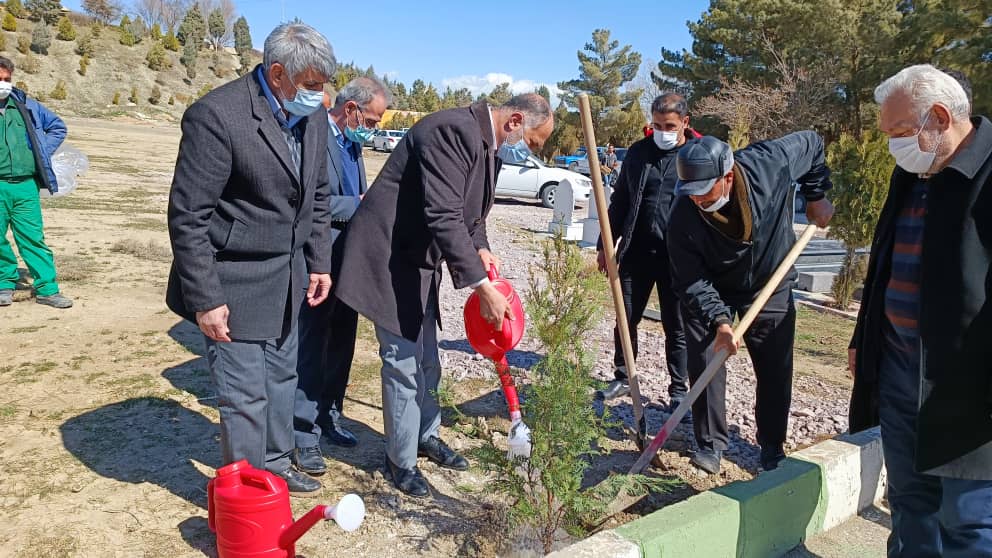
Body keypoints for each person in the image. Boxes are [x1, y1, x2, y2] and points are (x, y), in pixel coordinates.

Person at [334, 94, 554, 497]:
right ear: (516, 120)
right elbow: (443, 214)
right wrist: (481, 286)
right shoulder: (452, 130)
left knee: (428, 359)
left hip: (419, 262)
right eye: (535, 142)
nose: (532, 150)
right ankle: (400, 461)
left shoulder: (487, 144)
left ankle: (426, 434)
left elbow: (473, 216)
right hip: (388, 257)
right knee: (401, 361)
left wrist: (482, 247)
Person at [166, 22, 335, 494]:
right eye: (312, 87)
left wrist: (318, 261)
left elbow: (317, 196)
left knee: (282, 378)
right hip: (233, 280)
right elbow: (189, 217)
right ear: (277, 73)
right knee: (243, 396)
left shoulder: (314, 116)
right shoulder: (218, 117)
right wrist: (206, 298)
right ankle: (245, 494)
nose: (320, 98)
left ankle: (277, 466)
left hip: (289, 277)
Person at [849, 64, 992, 557]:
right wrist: (862, 340)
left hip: (970, 387)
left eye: (899, 132)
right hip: (899, 370)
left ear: (938, 117)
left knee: (968, 522)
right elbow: (885, 260)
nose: (892, 145)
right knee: (911, 506)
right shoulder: (912, 170)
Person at [667, 133, 834, 475]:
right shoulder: (683, 214)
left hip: (769, 279)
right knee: (705, 357)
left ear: (727, 177)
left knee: (775, 365)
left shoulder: (769, 164)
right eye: (691, 192)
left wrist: (816, 196)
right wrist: (720, 322)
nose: (698, 200)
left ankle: (772, 447)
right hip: (713, 285)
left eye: (704, 191)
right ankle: (710, 445)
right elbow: (690, 280)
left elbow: (814, 144)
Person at [291, 78, 390, 476]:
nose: (373, 127)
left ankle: (331, 415)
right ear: (350, 109)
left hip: (348, 263)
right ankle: (303, 433)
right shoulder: (315, 136)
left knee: (342, 346)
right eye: (370, 118)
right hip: (318, 261)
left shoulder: (353, 144)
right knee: (311, 348)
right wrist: (358, 204)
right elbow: (308, 199)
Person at [595, 93, 696, 411]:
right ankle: (624, 376)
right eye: (656, 125)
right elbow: (620, 201)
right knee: (626, 318)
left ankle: (679, 389)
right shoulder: (639, 153)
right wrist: (605, 243)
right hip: (636, 251)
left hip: (676, 259)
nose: (662, 131)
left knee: (676, 325)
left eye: (669, 125)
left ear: (685, 123)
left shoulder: (696, 156)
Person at [0, 56, 71, 309]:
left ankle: (47, 289)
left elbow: (57, 127)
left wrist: (40, 150)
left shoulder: (26, 105)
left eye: (7, 79)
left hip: (25, 186)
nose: (3, 84)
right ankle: (4, 283)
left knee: (32, 237)